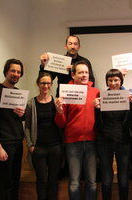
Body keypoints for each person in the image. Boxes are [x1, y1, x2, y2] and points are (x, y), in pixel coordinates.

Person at [54, 60, 99, 200]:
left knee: (92, 183)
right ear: (73, 75)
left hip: (92, 142)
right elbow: (61, 124)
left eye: (86, 72)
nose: (84, 75)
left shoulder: (96, 92)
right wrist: (59, 111)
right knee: (74, 183)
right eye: (80, 72)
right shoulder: (66, 91)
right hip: (72, 143)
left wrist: (100, 107)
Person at [0, 58, 25, 200]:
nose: (15, 74)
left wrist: (22, 114)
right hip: (4, 144)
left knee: (15, 181)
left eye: (18, 72)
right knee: (5, 183)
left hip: (18, 143)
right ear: (6, 71)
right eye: (13, 70)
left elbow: (19, 118)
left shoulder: (18, 93)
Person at [93, 69, 132, 200]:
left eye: (116, 80)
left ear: (121, 81)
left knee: (123, 178)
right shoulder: (101, 96)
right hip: (104, 142)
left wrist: (131, 106)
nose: (113, 83)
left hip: (123, 141)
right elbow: (98, 125)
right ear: (107, 82)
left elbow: (128, 124)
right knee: (106, 178)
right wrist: (96, 109)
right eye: (110, 80)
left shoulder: (127, 96)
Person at [25, 72, 63, 200]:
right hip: (39, 147)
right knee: (41, 179)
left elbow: (62, 122)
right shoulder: (31, 103)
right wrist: (30, 146)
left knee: (53, 179)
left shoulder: (56, 101)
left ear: (51, 85)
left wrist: (60, 111)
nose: (45, 85)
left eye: (48, 83)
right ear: (38, 84)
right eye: (43, 83)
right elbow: (27, 126)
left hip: (55, 147)